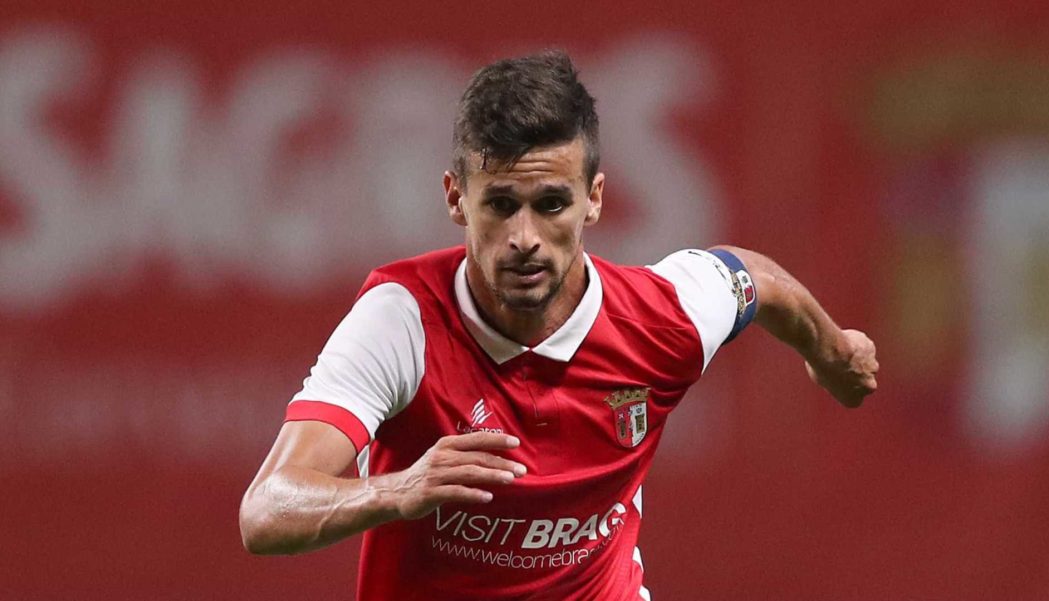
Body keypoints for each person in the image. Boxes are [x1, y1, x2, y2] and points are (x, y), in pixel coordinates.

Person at [239, 50, 878, 601]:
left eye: (551, 204)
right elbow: (266, 510)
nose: (525, 238)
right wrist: (397, 490)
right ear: (456, 198)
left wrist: (833, 352)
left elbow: (754, 280)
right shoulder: (402, 320)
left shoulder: (660, 317)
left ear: (593, 199)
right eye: (500, 204)